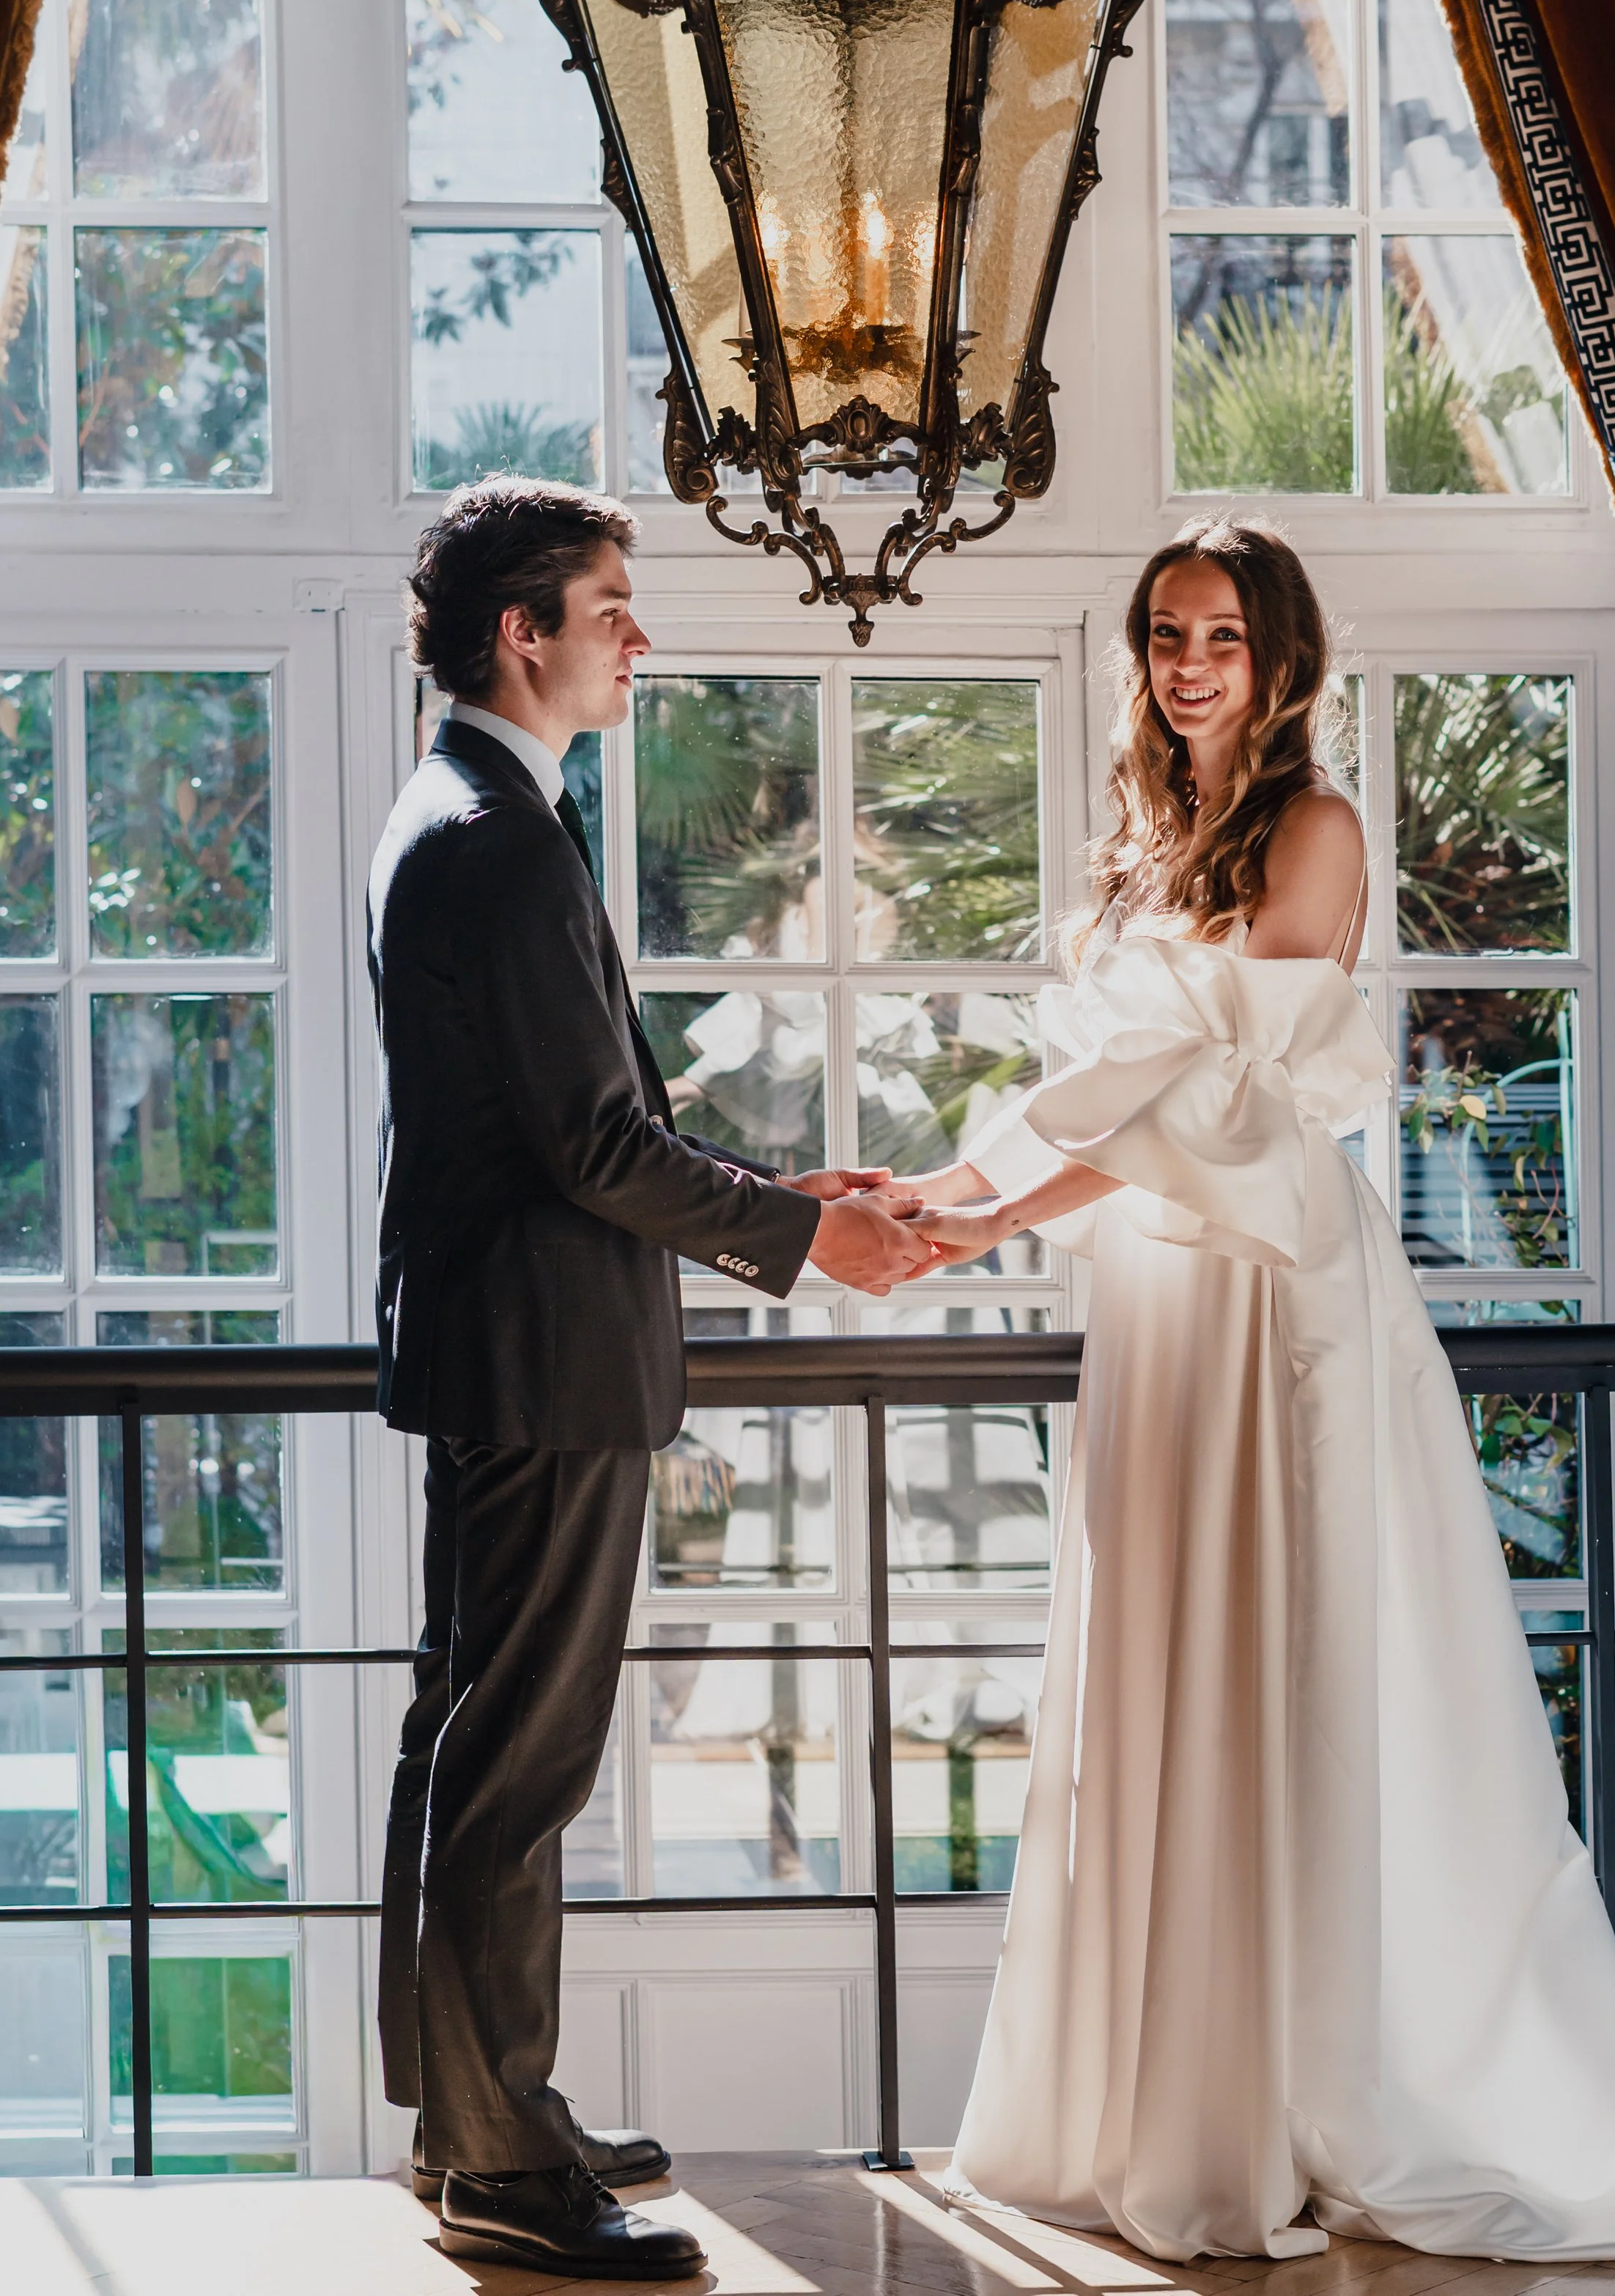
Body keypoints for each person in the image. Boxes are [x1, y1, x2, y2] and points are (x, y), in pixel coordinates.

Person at [898, 518, 1615, 2263]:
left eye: (1221, 639)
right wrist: (936, 1199)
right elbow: (1100, 1090)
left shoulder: (1312, 831)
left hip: (1270, 1287)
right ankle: (1151, 2099)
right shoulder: (1138, 840)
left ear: (1284, 663)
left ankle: (1281, 2101)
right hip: (1159, 1299)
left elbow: (1209, 1112)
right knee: (1160, 1655)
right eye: (1165, 635)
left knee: (1285, 1660)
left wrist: (980, 1227)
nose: (1187, 664)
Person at [369, 478, 933, 2280]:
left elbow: (577, 1127)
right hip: (540, 1362)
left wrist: (783, 1190)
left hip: (508, 1351)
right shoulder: (499, 838)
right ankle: (501, 2170)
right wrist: (805, 1241)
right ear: (520, 632)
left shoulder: (469, 814)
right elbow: (595, 1151)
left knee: (472, 1738)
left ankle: (475, 2116)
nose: (637, 633)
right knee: (513, 1767)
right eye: (610, 604)